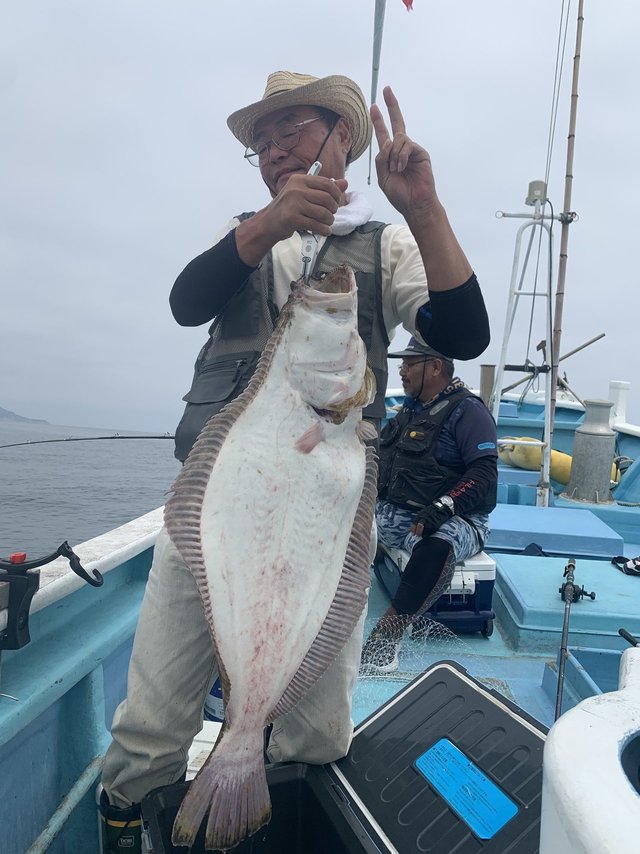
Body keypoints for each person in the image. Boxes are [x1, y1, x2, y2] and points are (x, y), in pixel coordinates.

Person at [98, 70, 490, 850]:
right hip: (216, 510)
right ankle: (126, 821)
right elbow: (185, 302)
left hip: (323, 519)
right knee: (149, 725)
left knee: (315, 731)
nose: (276, 150)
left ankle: (277, 803)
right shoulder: (244, 236)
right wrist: (268, 225)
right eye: (262, 142)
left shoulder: (389, 242)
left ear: (340, 136)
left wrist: (426, 208)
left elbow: (463, 331)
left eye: (294, 130)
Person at [361, 336, 498, 674]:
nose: (402, 370)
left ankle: (388, 634)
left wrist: (444, 505)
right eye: (403, 363)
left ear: (435, 367)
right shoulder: (411, 409)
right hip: (398, 513)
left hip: (457, 518)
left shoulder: (469, 411)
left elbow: (485, 473)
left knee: (436, 547)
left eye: (410, 364)